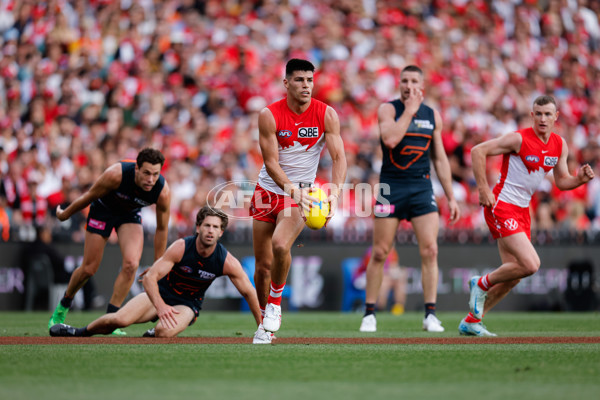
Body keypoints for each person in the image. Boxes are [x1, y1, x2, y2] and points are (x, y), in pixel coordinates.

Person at [460, 95, 595, 336]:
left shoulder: (559, 145)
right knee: (531, 264)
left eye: (547, 114)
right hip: (501, 204)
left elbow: (562, 181)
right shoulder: (519, 139)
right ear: (532, 116)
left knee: (513, 276)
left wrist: (579, 180)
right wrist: (482, 189)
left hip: (522, 210)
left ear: (556, 117)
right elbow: (478, 151)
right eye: (538, 114)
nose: (543, 118)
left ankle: (472, 321)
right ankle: (480, 283)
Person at [49, 206, 263, 339]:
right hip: (159, 296)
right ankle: (77, 331)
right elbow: (150, 278)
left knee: (163, 332)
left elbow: (249, 292)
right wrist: (160, 306)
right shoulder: (181, 247)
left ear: (221, 232)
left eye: (216, 227)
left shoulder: (226, 260)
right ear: (198, 227)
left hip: (187, 305)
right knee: (119, 320)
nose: (210, 231)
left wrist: (261, 328)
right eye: (207, 225)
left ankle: (154, 331)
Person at [250, 58, 347, 342]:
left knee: (281, 244)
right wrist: (290, 189)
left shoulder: (326, 114)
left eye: (309, 80)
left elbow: (339, 157)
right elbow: (270, 162)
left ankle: (275, 305)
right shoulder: (269, 115)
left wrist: (334, 195)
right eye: (300, 80)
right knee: (262, 267)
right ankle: (262, 324)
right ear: (287, 83)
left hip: (302, 193)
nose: (306, 85)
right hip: (267, 192)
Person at [359, 65, 460, 333]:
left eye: (414, 80)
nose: (408, 85)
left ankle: (430, 315)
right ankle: (369, 314)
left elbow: (439, 158)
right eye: (404, 80)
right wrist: (411, 111)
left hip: (421, 187)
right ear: (399, 84)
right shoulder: (388, 109)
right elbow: (390, 140)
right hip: (389, 187)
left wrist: (451, 196)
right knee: (380, 252)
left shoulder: (432, 115)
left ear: (422, 85)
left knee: (430, 250)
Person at [48, 148, 171, 336]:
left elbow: (162, 229)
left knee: (131, 264)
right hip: (102, 211)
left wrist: (157, 265)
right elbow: (88, 197)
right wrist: (65, 214)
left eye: (155, 174)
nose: (151, 180)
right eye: (146, 173)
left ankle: (111, 320)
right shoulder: (116, 174)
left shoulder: (162, 192)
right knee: (89, 268)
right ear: (137, 168)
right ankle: (63, 306)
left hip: (129, 215)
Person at [352, 246, 407, 315]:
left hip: (384, 278)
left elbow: (394, 267)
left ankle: (398, 309)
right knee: (384, 281)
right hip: (363, 277)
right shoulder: (372, 251)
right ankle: (380, 308)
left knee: (399, 281)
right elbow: (371, 270)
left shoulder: (392, 253)